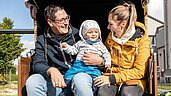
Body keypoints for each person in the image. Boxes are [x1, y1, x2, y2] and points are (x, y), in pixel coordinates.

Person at [26, 5, 103, 96]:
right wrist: (51, 70)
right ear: (50, 22)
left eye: (67, 18)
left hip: (79, 79)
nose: (66, 23)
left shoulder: (80, 36)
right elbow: (38, 64)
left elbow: (100, 50)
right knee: (33, 81)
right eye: (61, 20)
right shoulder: (42, 40)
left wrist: (101, 61)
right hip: (57, 82)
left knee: (80, 79)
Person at [94, 1, 151, 96]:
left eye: (111, 24)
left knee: (128, 94)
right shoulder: (110, 37)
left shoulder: (141, 39)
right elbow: (104, 58)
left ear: (123, 24)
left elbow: (139, 71)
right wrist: (100, 62)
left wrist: (113, 78)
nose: (108, 27)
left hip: (134, 79)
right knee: (103, 93)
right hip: (111, 75)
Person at [61, 20, 111, 85]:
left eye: (96, 32)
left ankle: (95, 88)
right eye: (90, 32)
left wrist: (107, 63)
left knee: (97, 76)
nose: (93, 34)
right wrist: (66, 47)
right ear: (84, 34)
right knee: (69, 74)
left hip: (92, 67)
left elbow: (106, 54)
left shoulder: (101, 45)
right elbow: (73, 50)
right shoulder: (80, 43)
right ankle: (66, 86)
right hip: (79, 64)